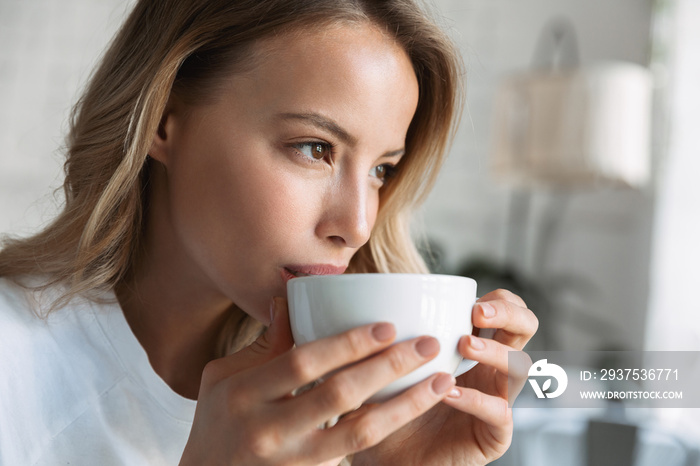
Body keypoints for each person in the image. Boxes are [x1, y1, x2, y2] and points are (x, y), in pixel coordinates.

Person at [0, 0, 538, 464]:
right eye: (314, 148)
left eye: (381, 170)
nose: (356, 226)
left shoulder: (334, 410)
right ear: (162, 119)